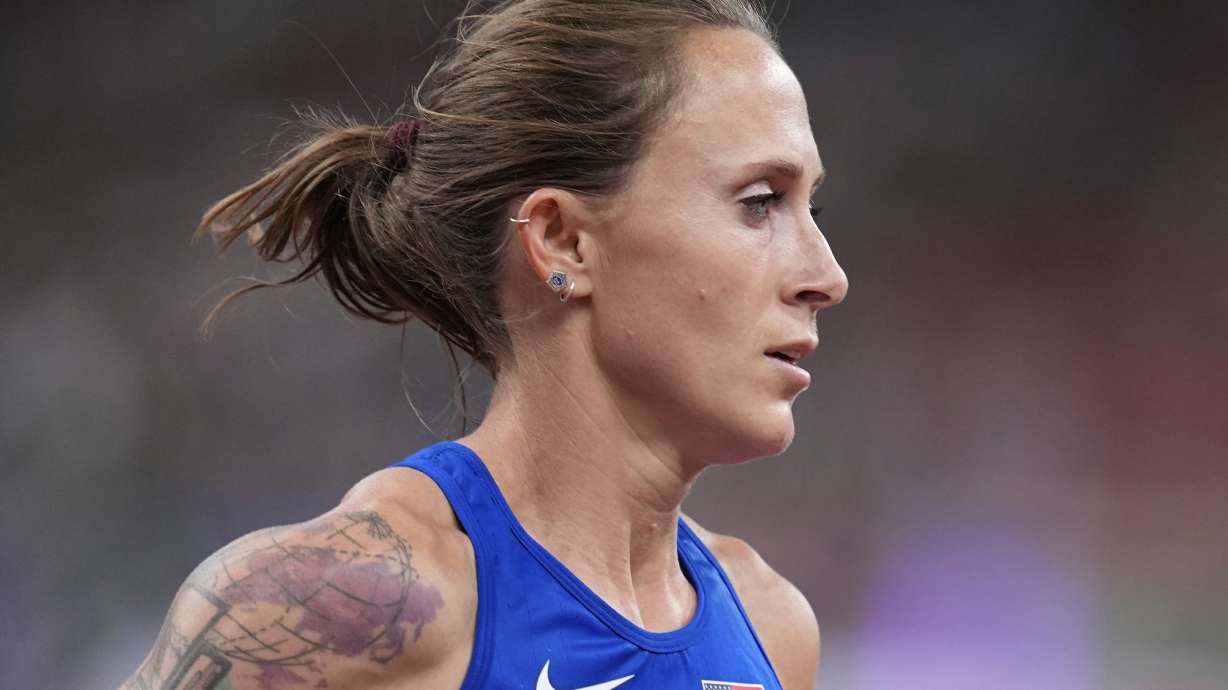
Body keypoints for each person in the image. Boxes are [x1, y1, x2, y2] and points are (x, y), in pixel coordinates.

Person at [121, 0, 848, 688]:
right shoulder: (334, 611)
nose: (828, 277)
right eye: (760, 203)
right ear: (563, 240)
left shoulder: (771, 627)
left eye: (809, 208)